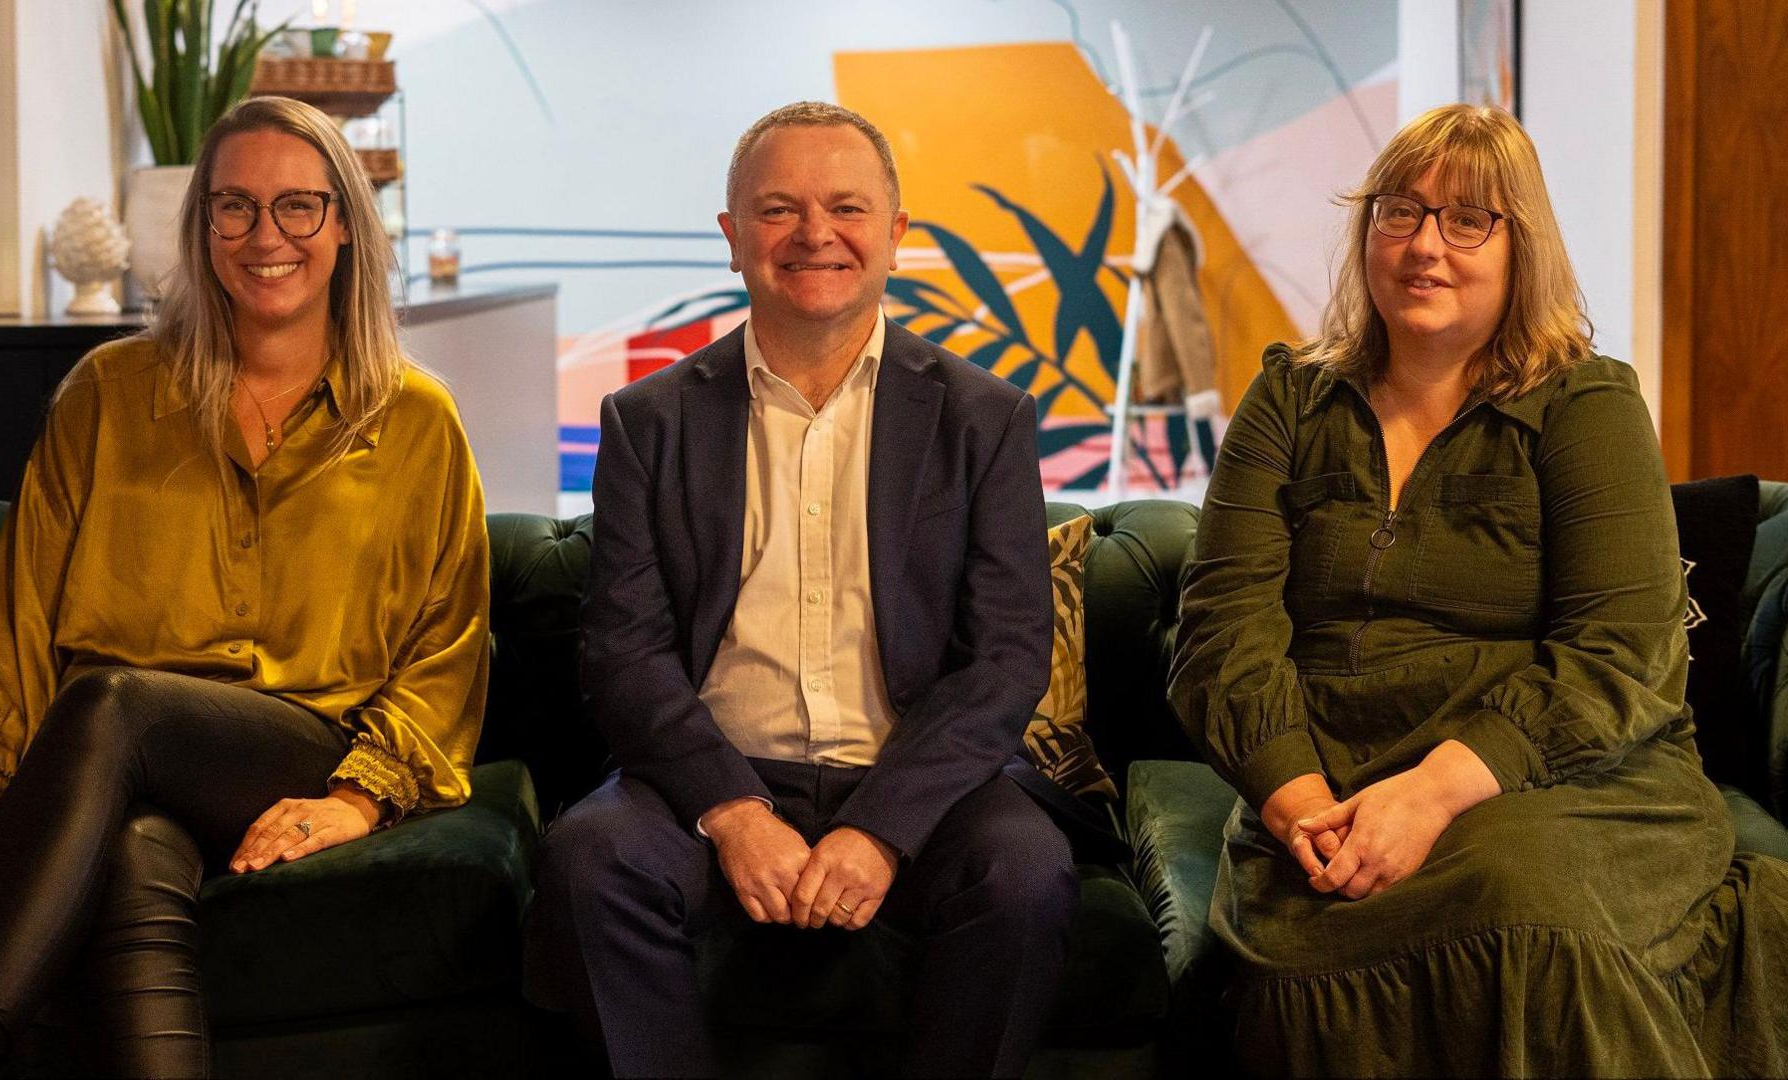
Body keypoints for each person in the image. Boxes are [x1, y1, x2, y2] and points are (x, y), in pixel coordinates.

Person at [1169, 103, 1788, 1076]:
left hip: (1563, 785)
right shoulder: (1289, 399)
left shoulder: (1587, 402)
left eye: (1468, 219)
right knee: (1293, 978)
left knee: (1525, 913)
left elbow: (1620, 654)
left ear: (1521, 246)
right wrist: (1300, 809)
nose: (1425, 246)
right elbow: (1219, 637)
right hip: (1332, 792)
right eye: (1399, 212)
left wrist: (1426, 798)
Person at [0, 96, 490, 1079]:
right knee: (134, 850)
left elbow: (450, 646)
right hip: (108, 762)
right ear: (202, 227)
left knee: (115, 700)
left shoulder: (419, 419)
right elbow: (23, 610)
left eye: (299, 206)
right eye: (235, 208)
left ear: (347, 224)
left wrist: (360, 796)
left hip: (292, 740)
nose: (267, 236)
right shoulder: (106, 394)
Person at [523, 101, 1075, 1078]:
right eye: (779, 210)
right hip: (715, 767)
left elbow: (1004, 662)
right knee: (589, 860)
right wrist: (734, 814)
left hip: (915, 776)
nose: (816, 234)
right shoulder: (647, 421)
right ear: (734, 239)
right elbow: (624, 652)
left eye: (847, 208)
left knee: (1026, 872)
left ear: (896, 236)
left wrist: (878, 827)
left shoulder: (984, 418)